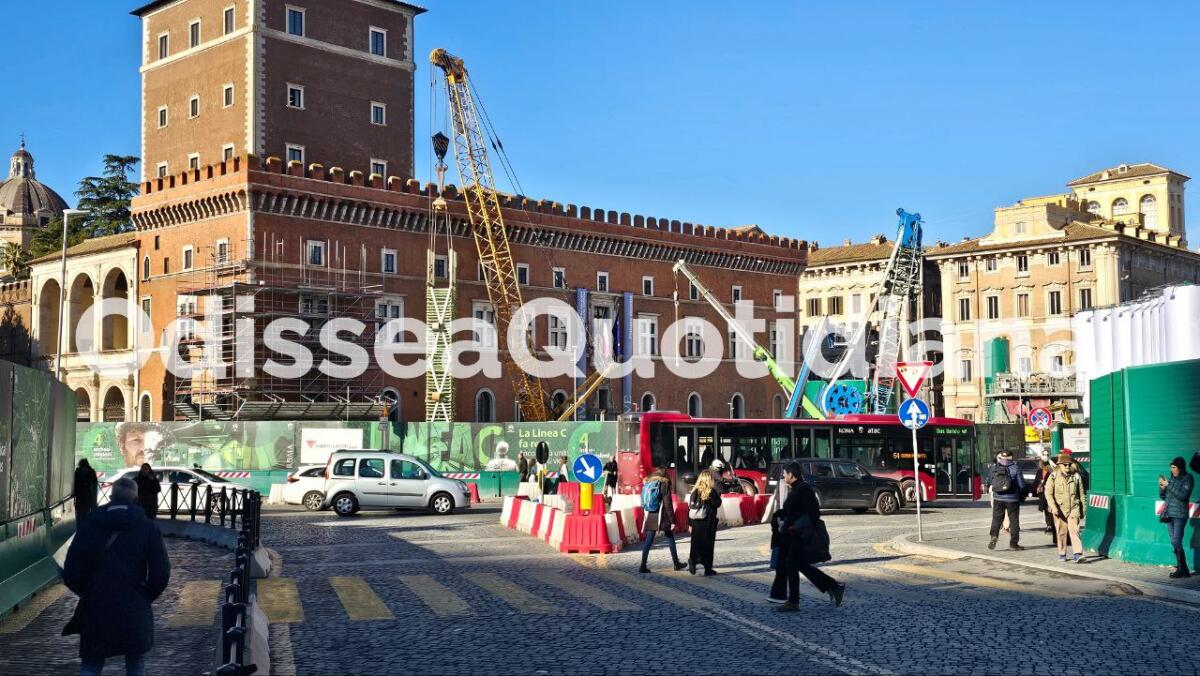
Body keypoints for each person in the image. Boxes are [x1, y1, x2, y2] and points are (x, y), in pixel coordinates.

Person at [63, 477, 171, 676]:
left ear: (110, 497)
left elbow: (70, 572)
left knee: (91, 664)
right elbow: (160, 574)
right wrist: (143, 597)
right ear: (136, 498)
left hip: (95, 607)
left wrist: (89, 592)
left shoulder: (89, 526)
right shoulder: (148, 528)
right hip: (134, 607)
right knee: (135, 663)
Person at [770, 461, 845, 611]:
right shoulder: (797, 488)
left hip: (800, 536)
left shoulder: (803, 489)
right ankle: (833, 586)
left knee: (792, 564)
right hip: (793, 535)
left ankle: (794, 602)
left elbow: (813, 513)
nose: (783, 476)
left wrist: (795, 526)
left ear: (791, 474)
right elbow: (793, 511)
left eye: (785, 473)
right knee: (799, 565)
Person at [639, 468, 686, 573]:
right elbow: (667, 503)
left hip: (651, 513)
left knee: (649, 539)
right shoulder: (664, 483)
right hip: (662, 515)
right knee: (670, 537)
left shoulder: (650, 482)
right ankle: (676, 563)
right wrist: (673, 520)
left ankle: (642, 565)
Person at [1045, 452, 1086, 563]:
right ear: (1059, 465)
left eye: (1069, 464)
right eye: (1064, 465)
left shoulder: (1076, 477)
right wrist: (1053, 507)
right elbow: (1048, 493)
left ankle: (1078, 554)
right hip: (1059, 508)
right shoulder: (1053, 476)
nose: (1067, 466)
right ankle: (1062, 554)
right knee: (1061, 532)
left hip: (1074, 507)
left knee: (1075, 531)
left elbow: (1081, 494)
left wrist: (1083, 509)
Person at [1160, 456, 1194, 579]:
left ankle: (1182, 568)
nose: (1172, 469)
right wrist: (1162, 488)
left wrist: (1168, 485)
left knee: (1176, 540)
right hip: (1169, 514)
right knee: (1173, 541)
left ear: (1180, 467)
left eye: (1174, 467)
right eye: (1171, 467)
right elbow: (1164, 497)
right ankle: (1183, 569)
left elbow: (1183, 495)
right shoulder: (1171, 480)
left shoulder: (1188, 479)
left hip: (1180, 515)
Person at [687, 470, 723, 576]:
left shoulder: (695, 491)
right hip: (708, 522)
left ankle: (693, 560)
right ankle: (707, 568)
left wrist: (689, 523)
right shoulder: (710, 491)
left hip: (695, 521)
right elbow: (718, 503)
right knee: (708, 544)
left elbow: (690, 508)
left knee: (695, 543)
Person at [988, 452, 1025, 551]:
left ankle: (994, 536)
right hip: (1012, 498)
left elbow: (990, 481)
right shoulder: (1015, 468)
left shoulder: (994, 467)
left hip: (998, 497)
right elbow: (1021, 484)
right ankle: (1013, 543)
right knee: (1014, 521)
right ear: (1011, 457)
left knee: (996, 518)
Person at [1032, 460, 1056, 543]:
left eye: (1043, 464)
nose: (1042, 466)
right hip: (1042, 494)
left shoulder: (1051, 471)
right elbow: (1035, 482)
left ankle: (1051, 526)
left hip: (1050, 493)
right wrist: (1034, 491)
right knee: (1045, 510)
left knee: (1050, 510)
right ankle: (1049, 525)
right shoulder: (1039, 471)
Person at [73, 459, 99, 529]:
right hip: (88, 496)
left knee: (79, 513)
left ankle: (79, 528)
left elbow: (74, 484)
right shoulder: (91, 471)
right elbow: (94, 485)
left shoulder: (77, 472)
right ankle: (86, 527)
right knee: (87, 513)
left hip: (79, 495)